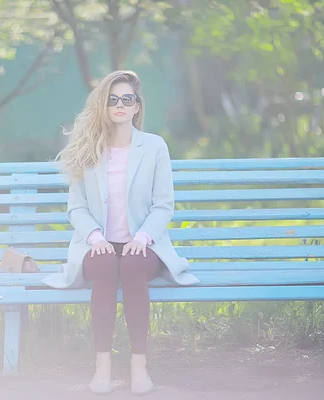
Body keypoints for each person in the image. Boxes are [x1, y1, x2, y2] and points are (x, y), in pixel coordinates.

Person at [42, 70, 200, 395]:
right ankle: (103, 368)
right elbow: (77, 208)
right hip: (98, 244)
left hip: (143, 244)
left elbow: (163, 206)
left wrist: (142, 238)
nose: (120, 105)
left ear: (137, 106)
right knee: (103, 266)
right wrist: (95, 238)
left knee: (130, 266)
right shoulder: (88, 148)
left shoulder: (154, 147)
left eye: (127, 99)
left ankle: (139, 367)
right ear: (103, 105)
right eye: (113, 99)